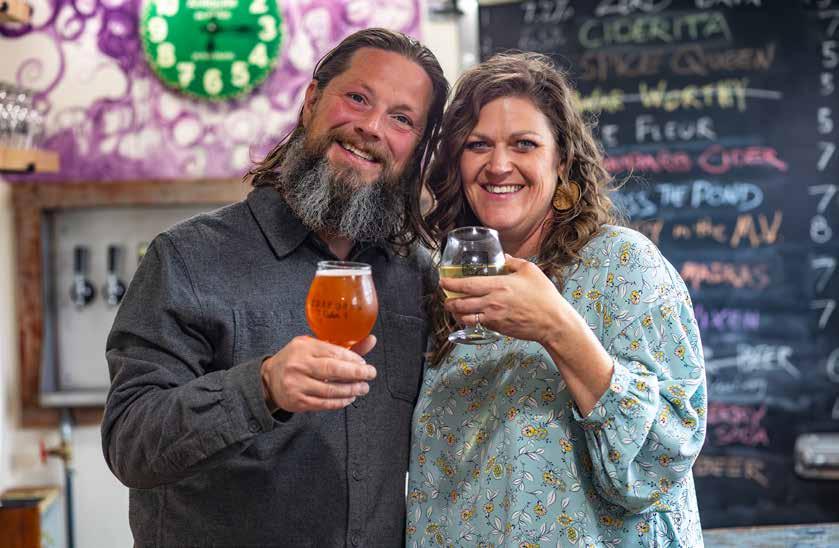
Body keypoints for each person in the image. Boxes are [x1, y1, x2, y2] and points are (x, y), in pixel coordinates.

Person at [101, 28, 448, 547]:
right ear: (312, 101)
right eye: (358, 98)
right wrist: (261, 388)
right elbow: (130, 443)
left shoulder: (415, 275)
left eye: (402, 119)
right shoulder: (188, 257)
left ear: (415, 147)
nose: (371, 127)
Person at [407, 52, 707, 547]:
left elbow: (663, 458)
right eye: (478, 145)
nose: (498, 165)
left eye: (524, 144)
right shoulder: (445, 281)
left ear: (562, 161)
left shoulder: (622, 264)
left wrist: (557, 328)